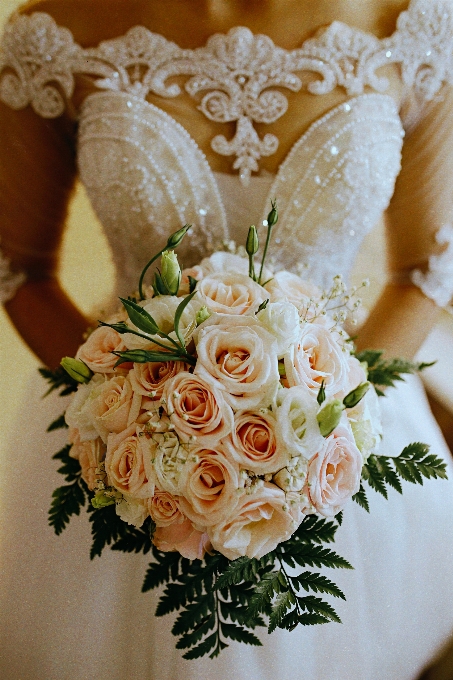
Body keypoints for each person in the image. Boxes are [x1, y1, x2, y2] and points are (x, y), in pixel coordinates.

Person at [1, 0, 453, 678]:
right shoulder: (56, 31)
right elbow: (19, 266)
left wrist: (314, 442)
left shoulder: (411, 25)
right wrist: (136, 419)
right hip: (128, 447)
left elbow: (428, 266)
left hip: (335, 430)